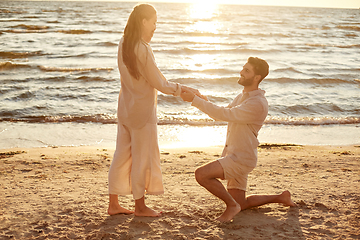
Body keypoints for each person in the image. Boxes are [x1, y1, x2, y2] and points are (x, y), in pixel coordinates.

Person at [108, 3, 204, 217]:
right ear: (144, 22)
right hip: (142, 113)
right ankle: (140, 207)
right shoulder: (142, 48)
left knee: (121, 155)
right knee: (141, 158)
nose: (155, 27)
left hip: (125, 109)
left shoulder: (123, 43)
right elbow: (160, 83)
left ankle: (113, 204)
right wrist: (186, 89)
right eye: (154, 23)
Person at [180, 57, 296, 222]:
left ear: (257, 78)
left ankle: (231, 206)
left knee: (201, 174)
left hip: (241, 158)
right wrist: (202, 99)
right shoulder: (243, 97)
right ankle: (281, 197)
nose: (241, 72)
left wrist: (195, 100)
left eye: (247, 70)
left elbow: (225, 114)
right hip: (236, 154)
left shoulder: (257, 103)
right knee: (241, 202)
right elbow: (226, 112)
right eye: (243, 68)